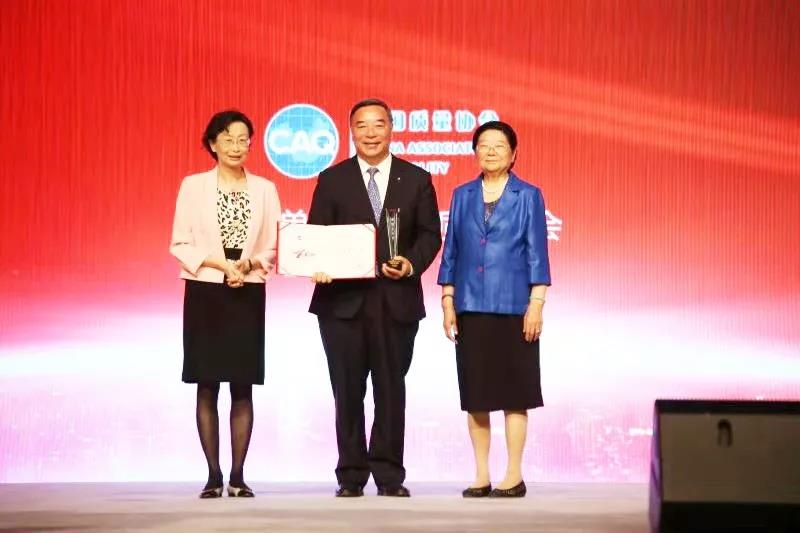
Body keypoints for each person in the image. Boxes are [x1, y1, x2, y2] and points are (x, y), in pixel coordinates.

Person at [308, 99, 441, 498]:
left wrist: (410, 263)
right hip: (341, 304)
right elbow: (316, 235)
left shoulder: (416, 178)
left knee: (390, 390)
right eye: (361, 126)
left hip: (395, 301)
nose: (370, 133)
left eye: (378, 124)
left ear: (391, 128)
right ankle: (350, 475)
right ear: (351, 131)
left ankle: (389, 475)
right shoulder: (332, 179)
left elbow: (430, 235)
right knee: (347, 391)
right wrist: (317, 264)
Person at [170, 110, 281, 498]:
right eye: (228, 139)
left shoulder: (265, 189)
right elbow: (180, 243)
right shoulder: (193, 186)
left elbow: (273, 245)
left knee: (243, 384)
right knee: (206, 384)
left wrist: (246, 266)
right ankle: (213, 476)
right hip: (206, 291)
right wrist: (222, 266)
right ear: (212, 144)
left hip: (247, 291)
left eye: (243, 139)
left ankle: (238, 476)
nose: (237, 146)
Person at [438, 121, 551, 498]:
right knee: (477, 395)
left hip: (515, 307)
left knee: (515, 394)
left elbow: (537, 253)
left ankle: (513, 474)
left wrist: (536, 304)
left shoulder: (528, 195)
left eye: (499, 146)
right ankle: (481, 474)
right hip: (470, 305)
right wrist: (448, 300)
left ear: (513, 154)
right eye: (483, 145)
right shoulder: (462, 195)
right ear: (475, 152)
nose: (489, 151)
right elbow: (451, 250)